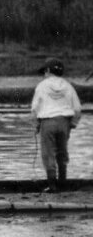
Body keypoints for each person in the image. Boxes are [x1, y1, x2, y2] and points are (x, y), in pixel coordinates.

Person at [31, 57, 81, 192]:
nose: (44, 75)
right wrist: (73, 123)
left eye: (44, 72)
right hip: (64, 121)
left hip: (47, 121)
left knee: (48, 153)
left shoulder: (42, 86)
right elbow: (77, 109)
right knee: (62, 152)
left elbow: (35, 108)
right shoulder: (68, 86)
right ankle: (63, 182)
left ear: (48, 70)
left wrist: (36, 125)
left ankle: (52, 186)